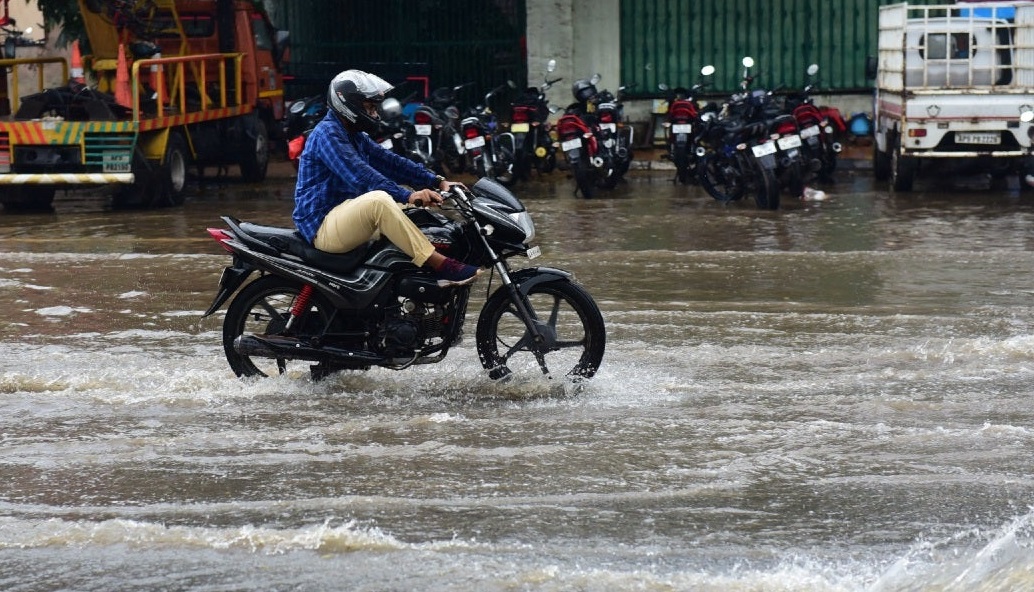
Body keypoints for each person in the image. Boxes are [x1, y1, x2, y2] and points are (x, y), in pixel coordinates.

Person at [292, 69, 481, 285]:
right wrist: (407, 195)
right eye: (370, 107)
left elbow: (391, 162)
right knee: (380, 201)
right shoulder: (327, 134)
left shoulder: (354, 135)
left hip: (344, 214)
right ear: (349, 104)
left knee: (418, 215)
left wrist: (438, 181)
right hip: (321, 226)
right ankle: (440, 264)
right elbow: (360, 176)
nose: (374, 114)